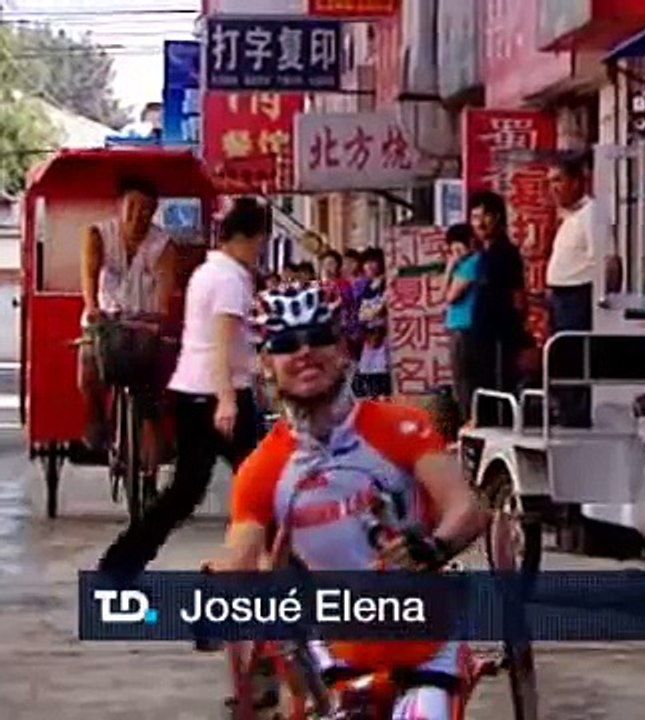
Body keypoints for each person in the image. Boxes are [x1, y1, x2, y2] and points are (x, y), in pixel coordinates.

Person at [209, 284, 487, 719]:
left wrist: (433, 546)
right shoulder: (262, 470)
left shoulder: (402, 427)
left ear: (341, 348)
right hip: (334, 656)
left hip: (425, 649)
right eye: (285, 343)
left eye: (318, 337)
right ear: (266, 363)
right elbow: (241, 551)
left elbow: (465, 508)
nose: (304, 352)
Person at [98, 198, 268, 580]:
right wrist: (227, 401)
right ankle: (290, 571)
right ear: (244, 237)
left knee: (186, 493)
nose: (260, 249)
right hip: (217, 396)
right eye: (259, 240)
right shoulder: (227, 279)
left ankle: (119, 565)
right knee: (263, 484)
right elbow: (222, 343)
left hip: (195, 392)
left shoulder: (210, 272)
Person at [79, 175, 176, 474]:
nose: (138, 215)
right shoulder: (97, 234)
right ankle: (96, 418)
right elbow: (90, 277)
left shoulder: (163, 245)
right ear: (119, 206)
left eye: (147, 209)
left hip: (144, 323)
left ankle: (153, 428)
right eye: (132, 207)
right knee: (88, 366)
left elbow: (163, 290)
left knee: (155, 372)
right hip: (106, 319)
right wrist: (93, 308)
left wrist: (159, 315)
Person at [545, 152, 610, 428]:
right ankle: (566, 413)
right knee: (559, 361)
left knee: (573, 361)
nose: (553, 188)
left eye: (559, 180)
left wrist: (601, 300)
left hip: (579, 296)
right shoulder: (570, 217)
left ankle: (577, 417)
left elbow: (606, 260)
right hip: (561, 296)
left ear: (576, 181)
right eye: (550, 182)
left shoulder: (591, 213)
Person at [468, 191, 526, 405]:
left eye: (485, 216)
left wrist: (517, 329)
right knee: (482, 378)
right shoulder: (483, 252)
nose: (480, 224)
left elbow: (518, 293)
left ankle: (501, 422)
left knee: (499, 381)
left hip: (501, 330)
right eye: (474, 218)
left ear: (498, 217)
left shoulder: (506, 251)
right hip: (482, 328)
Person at [443, 223, 481, 425]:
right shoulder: (463, 265)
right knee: (460, 380)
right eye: (452, 250)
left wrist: (450, 268)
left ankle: (470, 421)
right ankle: (467, 421)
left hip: (465, 327)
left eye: (459, 248)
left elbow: (450, 296)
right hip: (458, 325)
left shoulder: (472, 263)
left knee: (465, 380)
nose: (456, 254)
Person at [355, 247, 391, 398]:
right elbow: (362, 314)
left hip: (385, 337)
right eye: (366, 263)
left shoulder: (387, 284)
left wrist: (372, 312)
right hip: (370, 337)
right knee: (369, 376)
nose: (369, 266)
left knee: (383, 377)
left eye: (373, 262)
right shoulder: (368, 287)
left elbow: (381, 308)